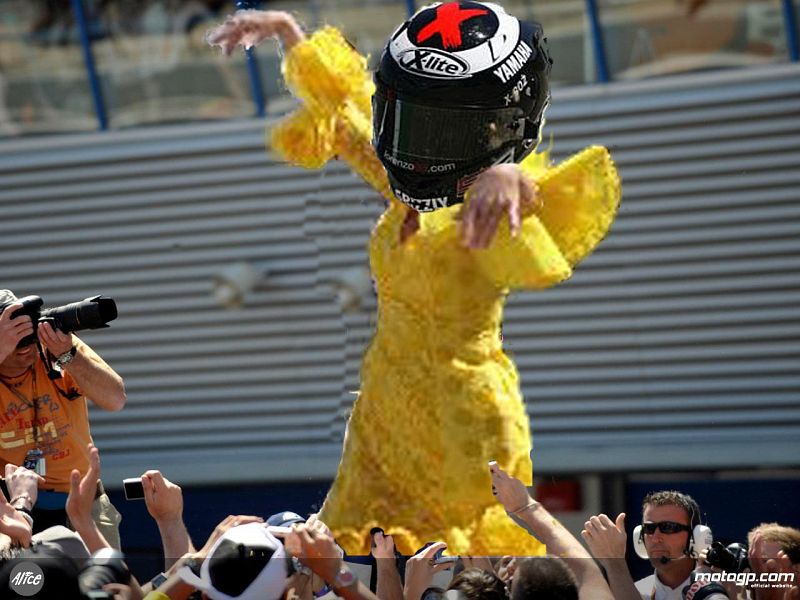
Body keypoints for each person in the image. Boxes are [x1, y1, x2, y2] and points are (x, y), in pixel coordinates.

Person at [207, 2, 620, 555]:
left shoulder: (487, 209)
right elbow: (348, 116)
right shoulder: (409, 189)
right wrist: (286, 31)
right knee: (339, 547)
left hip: (461, 410)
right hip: (386, 400)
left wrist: (511, 175)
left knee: (476, 563)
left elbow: (536, 239)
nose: (427, 140)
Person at [0, 289, 127, 548]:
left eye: (27, 333)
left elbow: (115, 399)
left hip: (82, 498)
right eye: (14, 336)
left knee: (106, 572)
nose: (25, 345)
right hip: (13, 504)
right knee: (22, 575)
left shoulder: (54, 345)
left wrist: (68, 355)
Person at [581, 490, 710, 600]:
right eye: (649, 528)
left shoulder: (716, 591)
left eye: (668, 527)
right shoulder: (636, 591)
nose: (656, 538)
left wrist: (614, 562)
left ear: (695, 537)